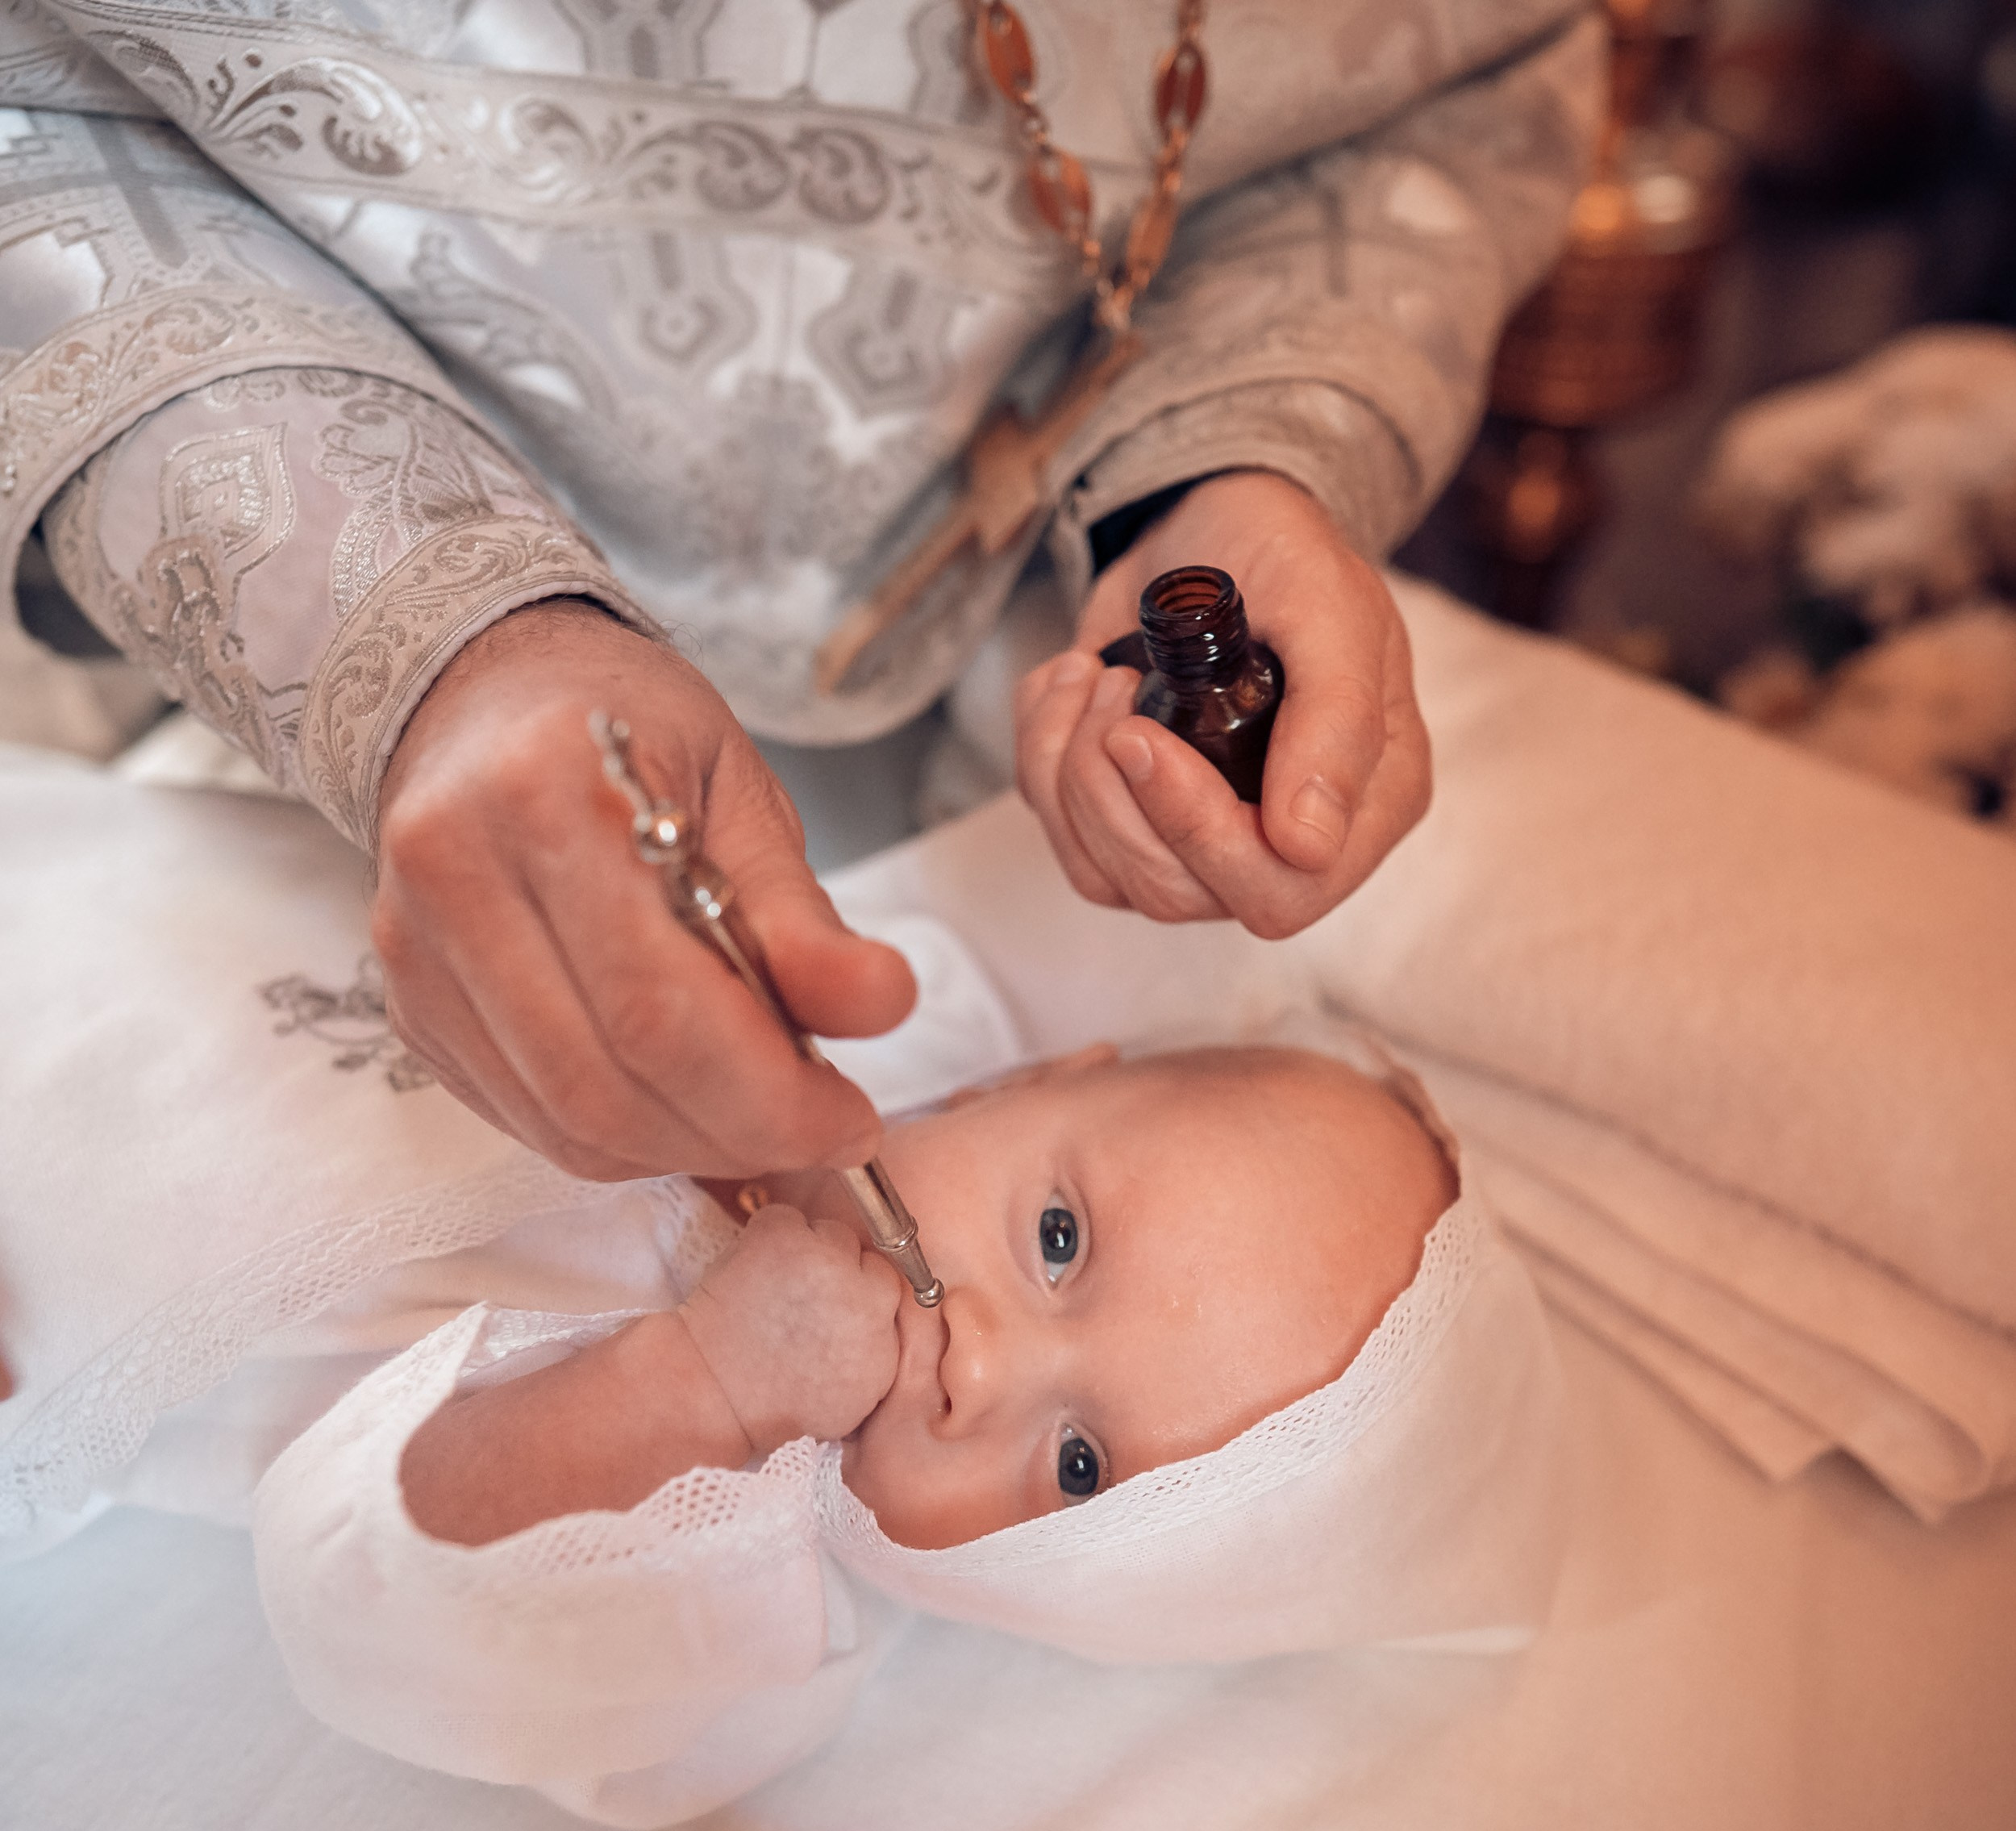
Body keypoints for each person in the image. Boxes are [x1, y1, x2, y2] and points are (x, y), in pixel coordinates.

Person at [1, 0, 1602, 1185]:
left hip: (1005, 627)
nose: (976, 1370)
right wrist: (420, 628)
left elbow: (1437, 85)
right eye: (1058, 1241)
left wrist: (1237, 453)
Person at [252, 1036, 1563, 1824]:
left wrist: (707, 1385)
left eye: (1077, 1466)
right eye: (1059, 1240)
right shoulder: (851, 1050)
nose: (979, 1357)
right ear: (1020, 1078)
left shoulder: (744, 1594)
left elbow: (366, 1590)